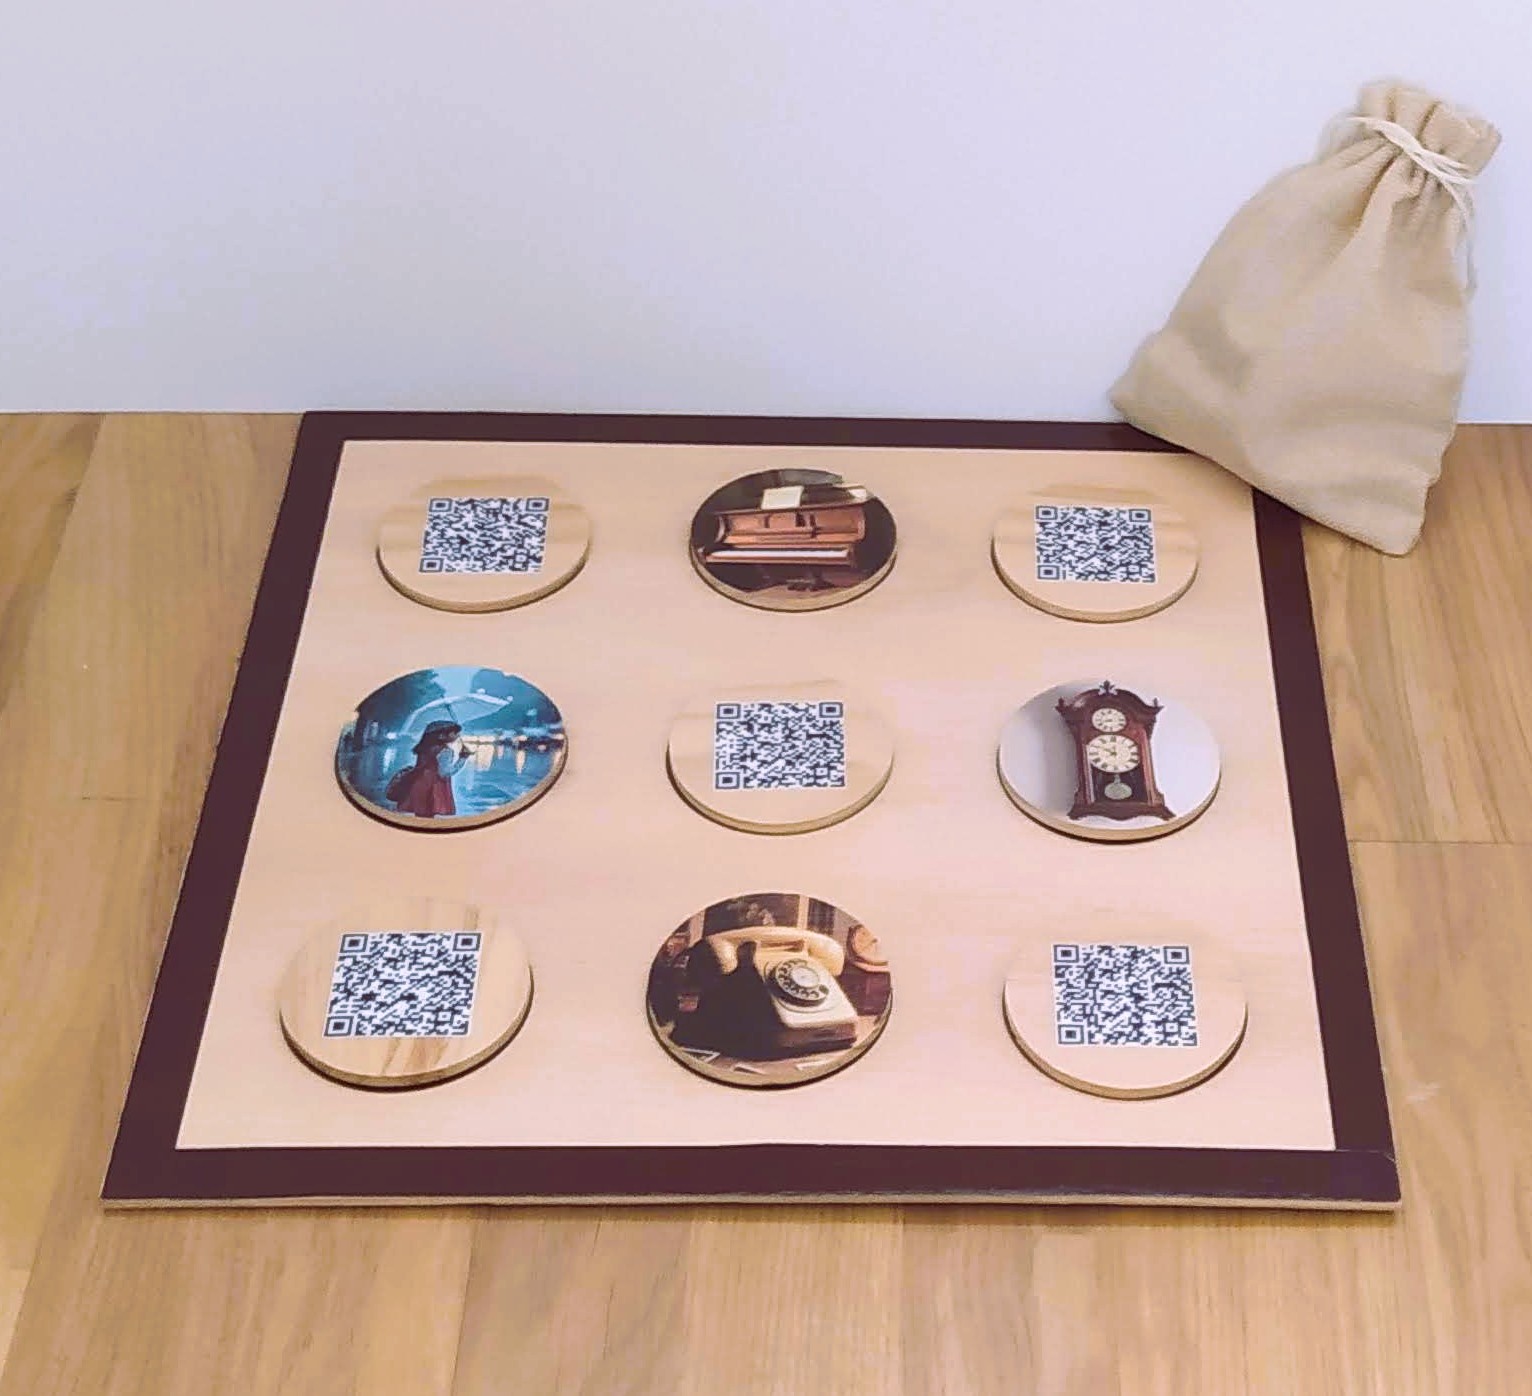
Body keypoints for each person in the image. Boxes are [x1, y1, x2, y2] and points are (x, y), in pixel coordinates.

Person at [388, 720, 470, 818]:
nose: (457, 735)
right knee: (428, 816)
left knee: (420, 815)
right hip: (433, 788)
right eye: (455, 733)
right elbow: (444, 773)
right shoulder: (446, 751)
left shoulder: (424, 748)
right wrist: (462, 759)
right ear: (441, 735)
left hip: (418, 784)